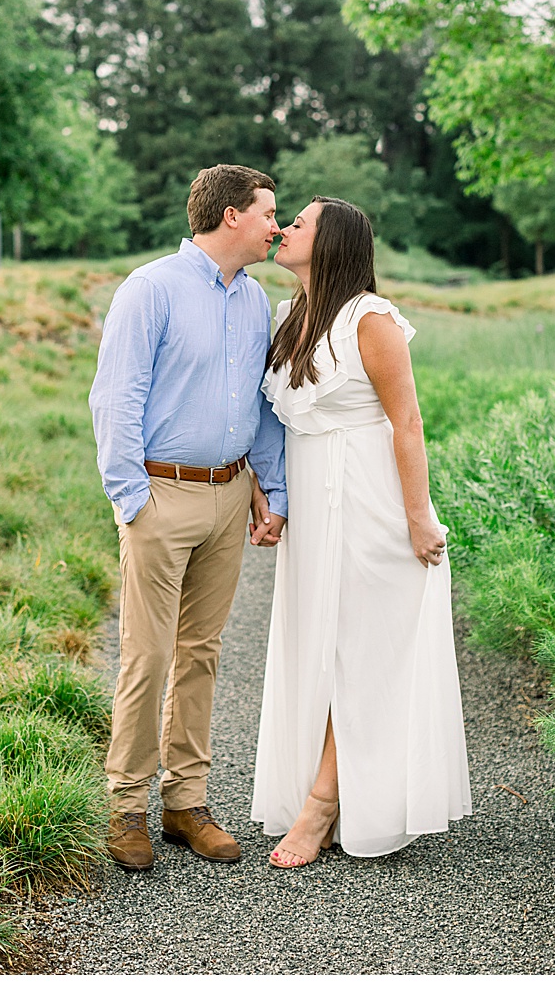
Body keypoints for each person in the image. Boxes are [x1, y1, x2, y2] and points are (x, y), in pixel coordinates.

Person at [250, 196, 471, 867]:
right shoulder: (290, 316)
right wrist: (270, 496)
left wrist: (417, 516)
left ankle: (322, 804)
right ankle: (331, 791)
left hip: (370, 501)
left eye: (300, 223)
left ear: (333, 241)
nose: (285, 229)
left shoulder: (369, 319)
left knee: (361, 650)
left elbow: (407, 422)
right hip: (315, 505)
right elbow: (278, 423)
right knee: (319, 644)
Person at [89, 165, 289, 872]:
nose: (277, 225)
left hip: (230, 495)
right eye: (269, 212)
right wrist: (132, 499)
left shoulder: (256, 298)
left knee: (202, 651)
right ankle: (124, 807)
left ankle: (185, 802)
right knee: (147, 655)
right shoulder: (150, 289)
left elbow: (263, 405)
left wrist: (274, 491)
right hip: (160, 496)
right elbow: (115, 398)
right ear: (232, 215)